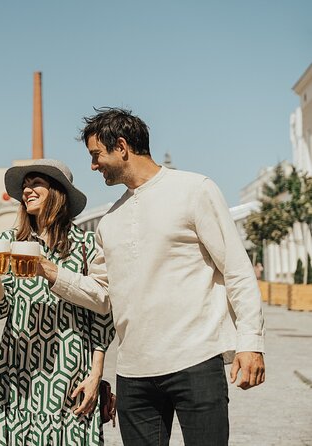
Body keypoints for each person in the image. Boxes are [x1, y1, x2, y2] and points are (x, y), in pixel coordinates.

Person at [37, 108, 266, 446]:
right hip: (134, 374)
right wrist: (50, 271)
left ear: (122, 146)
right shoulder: (109, 221)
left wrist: (251, 342)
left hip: (196, 361)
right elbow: (102, 296)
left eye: (96, 155)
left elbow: (236, 269)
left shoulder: (195, 190)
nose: (93, 165)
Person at [0, 158, 115, 445]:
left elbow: (103, 318)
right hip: (17, 372)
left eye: (35, 185)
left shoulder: (85, 244)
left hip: (70, 372)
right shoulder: (8, 241)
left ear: (57, 192)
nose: (26, 191)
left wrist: (96, 375)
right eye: (25, 187)